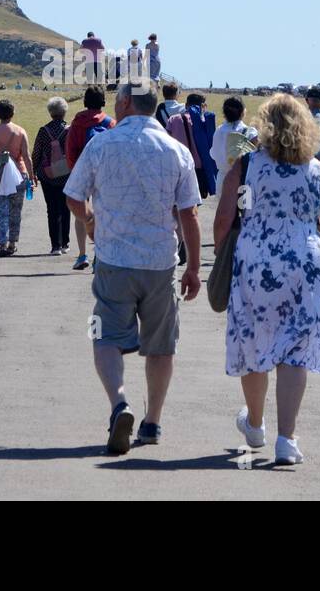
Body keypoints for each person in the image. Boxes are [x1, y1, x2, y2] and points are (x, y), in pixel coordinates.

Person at [63, 81, 202, 454]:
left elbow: (73, 195)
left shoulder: (101, 144)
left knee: (105, 337)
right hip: (159, 263)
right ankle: (152, 421)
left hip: (114, 259)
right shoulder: (176, 151)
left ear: (124, 103)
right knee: (160, 346)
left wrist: (91, 222)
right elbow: (188, 212)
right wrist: (194, 268)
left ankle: (118, 403)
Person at [214, 94, 320, 466]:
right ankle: (286, 440)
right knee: (294, 352)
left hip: (257, 263)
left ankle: (255, 424)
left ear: (265, 126)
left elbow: (224, 218)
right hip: (308, 263)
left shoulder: (246, 167)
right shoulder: (317, 170)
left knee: (256, 342)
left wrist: (220, 258)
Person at [65, 86, 114, 270]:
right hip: (105, 174)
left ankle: (82, 254)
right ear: (103, 101)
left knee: (80, 213)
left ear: (85, 101)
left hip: (82, 171)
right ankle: (99, 254)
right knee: (102, 212)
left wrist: (74, 170)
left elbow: (70, 150)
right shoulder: (110, 123)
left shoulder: (77, 122)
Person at [0, 99, 35, 257]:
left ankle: (2, 244)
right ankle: (12, 243)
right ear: (13, 113)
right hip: (18, 175)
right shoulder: (20, 131)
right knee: (15, 211)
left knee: (0, 210)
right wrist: (31, 177)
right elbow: (26, 156)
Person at [32, 96, 72, 255]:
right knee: (65, 208)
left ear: (50, 112)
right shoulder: (70, 130)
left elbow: (36, 153)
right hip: (66, 175)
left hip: (47, 176)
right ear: (64, 112)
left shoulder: (43, 131)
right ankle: (65, 243)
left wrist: (33, 172)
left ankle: (55, 245)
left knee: (52, 209)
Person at [210, 96, 258, 169]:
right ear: (243, 112)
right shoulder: (251, 133)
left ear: (224, 113)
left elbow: (213, 154)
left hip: (221, 177)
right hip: (242, 178)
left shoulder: (218, 131)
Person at [185, 93, 218, 199]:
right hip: (202, 169)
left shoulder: (179, 118)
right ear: (203, 105)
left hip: (186, 165)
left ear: (187, 104)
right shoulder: (207, 121)